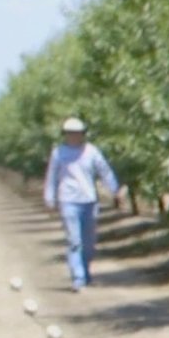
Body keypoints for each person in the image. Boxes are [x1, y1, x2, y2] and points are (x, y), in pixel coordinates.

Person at [42, 117, 124, 291]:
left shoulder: (91, 152)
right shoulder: (58, 153)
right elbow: (52, 176)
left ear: (83, 134)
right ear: (65, 135)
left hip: (89, 201)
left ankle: (86, 272)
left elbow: (104, 170)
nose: (73, 136)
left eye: (77, 133)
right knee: (74, 241)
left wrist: (114, 189)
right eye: (69, 133)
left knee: (89, 242)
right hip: (68, 201)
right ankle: (77, 278)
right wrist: (50, 197)